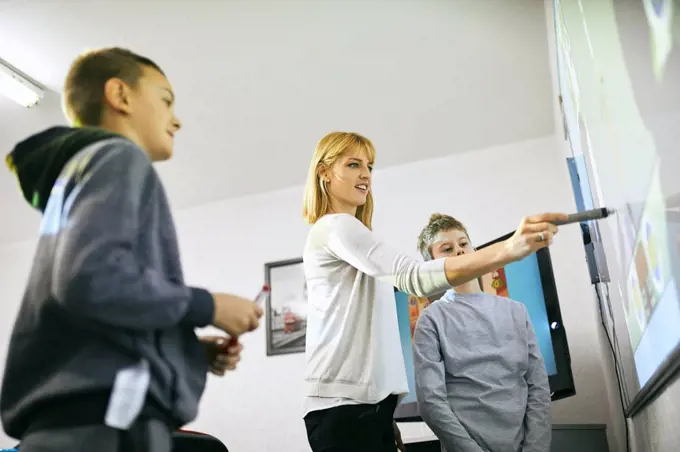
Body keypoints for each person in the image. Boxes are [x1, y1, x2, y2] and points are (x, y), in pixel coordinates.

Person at [0, 47, 263, 452]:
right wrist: (208, 306)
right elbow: (91, 279)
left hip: (74, 421)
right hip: (107, 426)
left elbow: (94, 307)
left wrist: (186, 348)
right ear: (120, 95)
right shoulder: (118, 156)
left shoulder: (76, 176)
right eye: (165, 100)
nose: (176, 118)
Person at [300, 131, 565, 452]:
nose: (366, 174)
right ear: (325, 172)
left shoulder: (354, 236)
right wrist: (509, 249)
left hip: (366, 409)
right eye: (353, 164)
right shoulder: (335, 226)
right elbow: (413, 277)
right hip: (345, 411)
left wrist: (386, 415)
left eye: (369, 166)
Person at [413, 213, 553, 452]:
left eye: (463, 243)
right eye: (447, 248)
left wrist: (535, 448)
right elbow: (431, 402)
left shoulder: (516, 311)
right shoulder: (431, 319)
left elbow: (538, 386)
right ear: (433, 265)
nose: (459, 251)